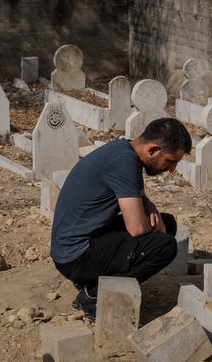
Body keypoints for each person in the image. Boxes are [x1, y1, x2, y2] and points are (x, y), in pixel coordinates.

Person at [50, 117, 192, 320]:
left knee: (166, 223)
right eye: (170, 161)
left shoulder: (126, 150)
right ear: (152, 150)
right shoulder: (124, 163)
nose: (172, 169)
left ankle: (94, 279)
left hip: (76, 244)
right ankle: (94, 294)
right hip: (75, 256)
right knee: (164, 246)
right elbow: (136, 229)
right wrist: (147, 220)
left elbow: (140, 195)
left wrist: (149, 206)